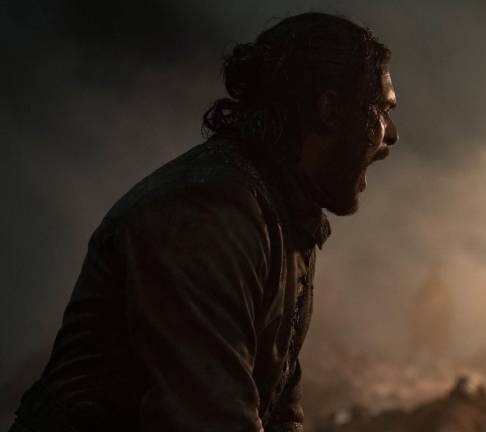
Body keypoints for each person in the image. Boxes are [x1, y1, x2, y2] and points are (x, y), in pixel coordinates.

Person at [10, 12, 398, 432]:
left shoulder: (280, 214)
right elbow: (210, 419)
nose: (391, 135)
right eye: (382, 110)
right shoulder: (209, 214)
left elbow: (280, 406)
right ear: (330, 109)